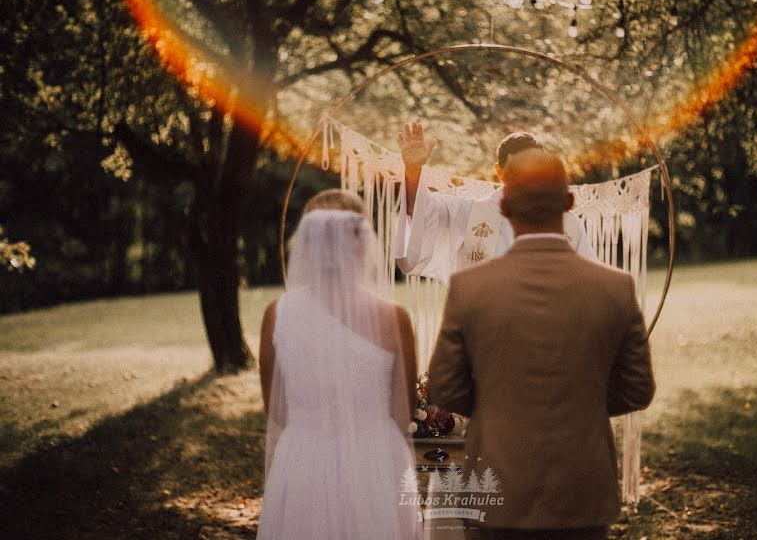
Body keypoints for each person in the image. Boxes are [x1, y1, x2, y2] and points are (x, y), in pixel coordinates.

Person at [428, 151, 655, 540]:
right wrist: (580, 402)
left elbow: (444, 388)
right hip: (581, 487)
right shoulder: (616, 287)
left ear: (503, 205)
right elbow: (637, 388)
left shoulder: (470, 288)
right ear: (568, 203)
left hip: (498, 485)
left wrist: (498, 405)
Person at [256, 189, 422, 539]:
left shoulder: (277, 315)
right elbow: (402, 414)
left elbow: (277, 407)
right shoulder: (393, 318)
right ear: (362, 242)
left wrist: (318, 429)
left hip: (303, 462)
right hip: (375, 464)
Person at [395, 122, 595, 284]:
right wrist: (413, 171)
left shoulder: (568, 224)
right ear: (499, 172)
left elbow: (589, 284)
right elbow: (420, 210)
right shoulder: (471, 213)